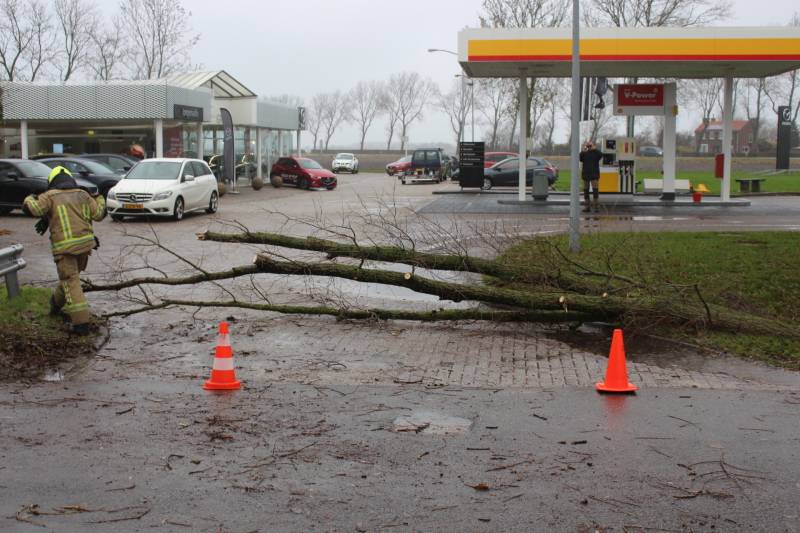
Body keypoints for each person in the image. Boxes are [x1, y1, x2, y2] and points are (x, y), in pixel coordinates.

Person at [23, 166, 106, 335]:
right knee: (71, 278)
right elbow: (98, 214)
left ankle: (81, 325)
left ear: (52, 181)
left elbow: (34, 209)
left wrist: (29, 198)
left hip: (65, 248)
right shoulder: (83, 194)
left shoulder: (50, 196)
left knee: (71, 281)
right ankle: (55, 303)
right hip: (85, 246)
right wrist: (100, 198)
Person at [579, 140, 603, 213]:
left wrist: (594, 148)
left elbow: (601, 155)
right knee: (586, 191)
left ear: (593, 146)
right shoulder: (584, 153)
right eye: (588, 146)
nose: (589, 147)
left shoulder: (596, 153)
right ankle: (587, 207)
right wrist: (583, 150)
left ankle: (596, 207)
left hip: (594, 175)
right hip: (586, 175)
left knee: (595, 191)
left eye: (590, 146)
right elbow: (580, 158)